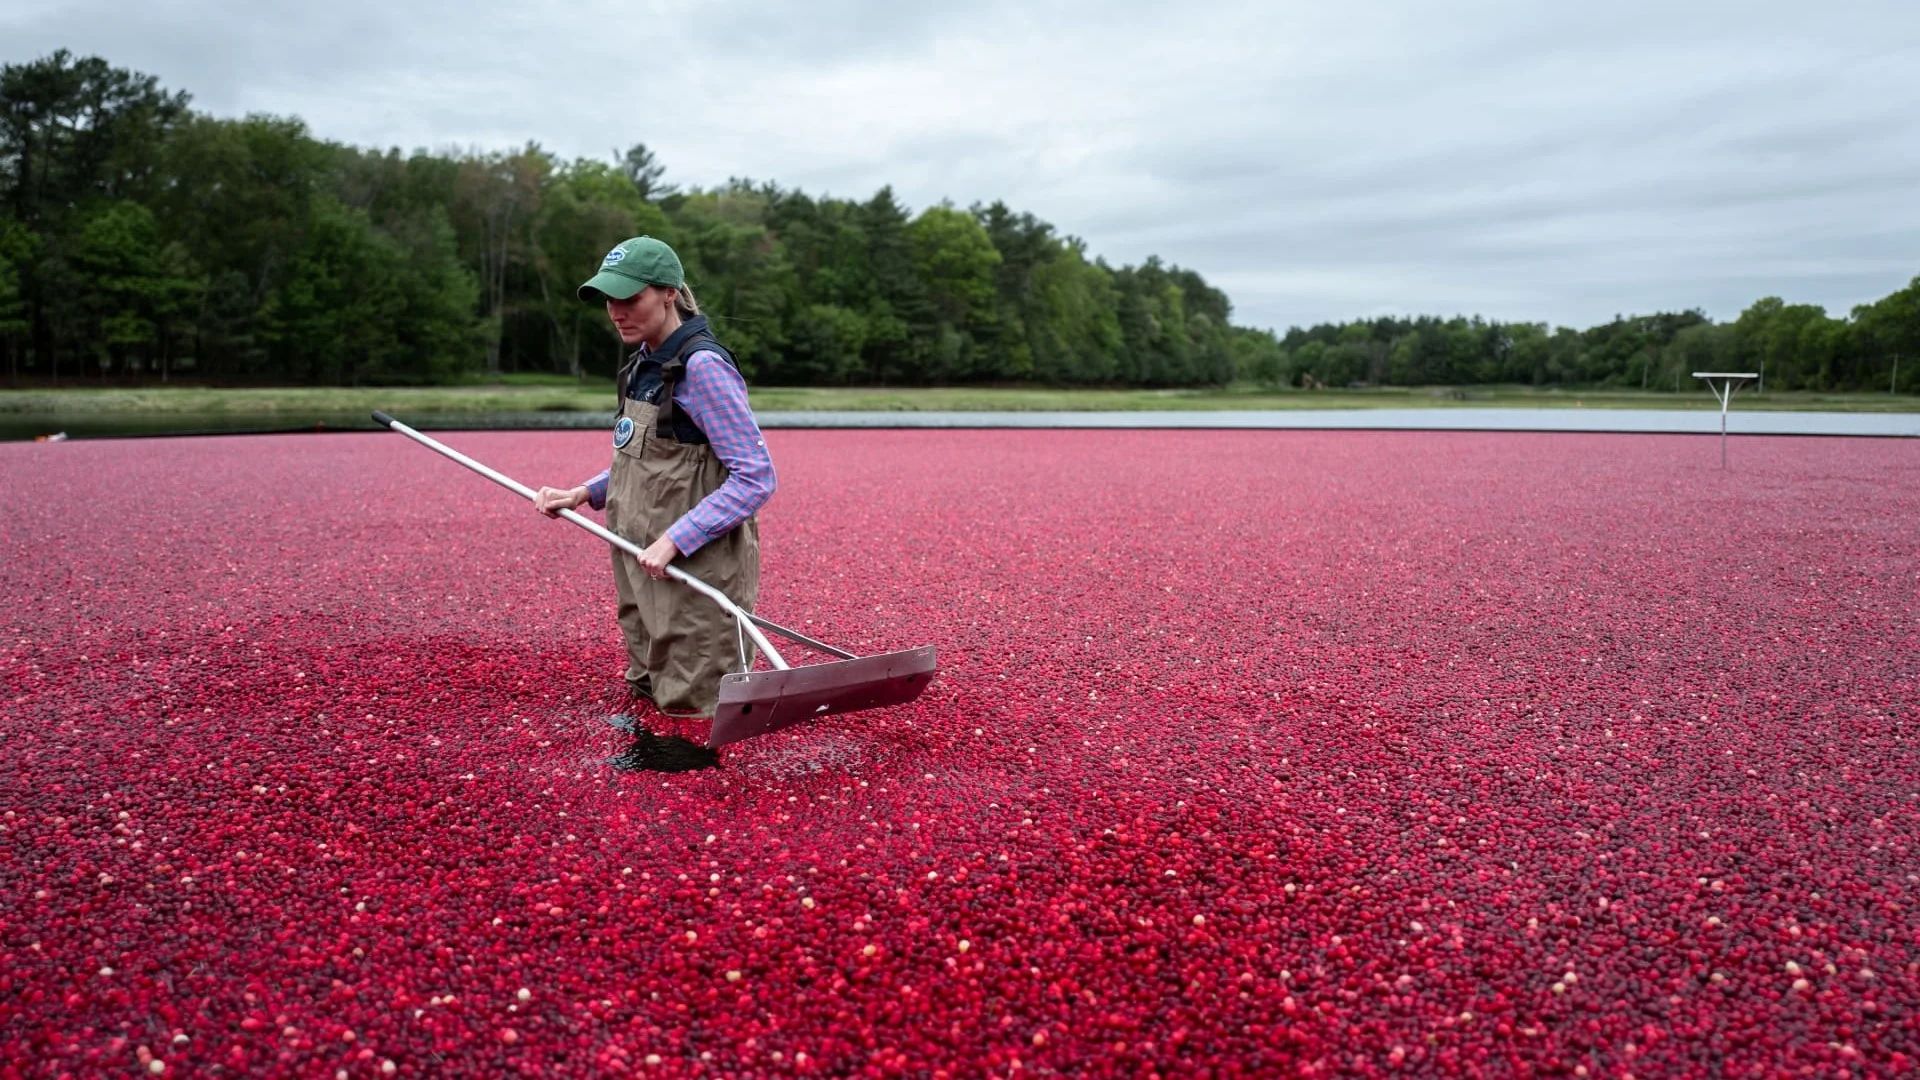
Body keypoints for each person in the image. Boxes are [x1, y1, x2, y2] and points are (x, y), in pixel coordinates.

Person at [532, 236, 776, 718]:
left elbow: (754, 477)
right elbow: (646, 462)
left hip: (694, 569)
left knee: (696, 705)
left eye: (630, 298)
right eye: (609, 299)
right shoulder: (643, 363)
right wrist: (582, 493)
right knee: (647, 688)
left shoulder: (702, 367)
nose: (617, 311)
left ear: (668, 292)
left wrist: (675, 541)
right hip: (639, 560)